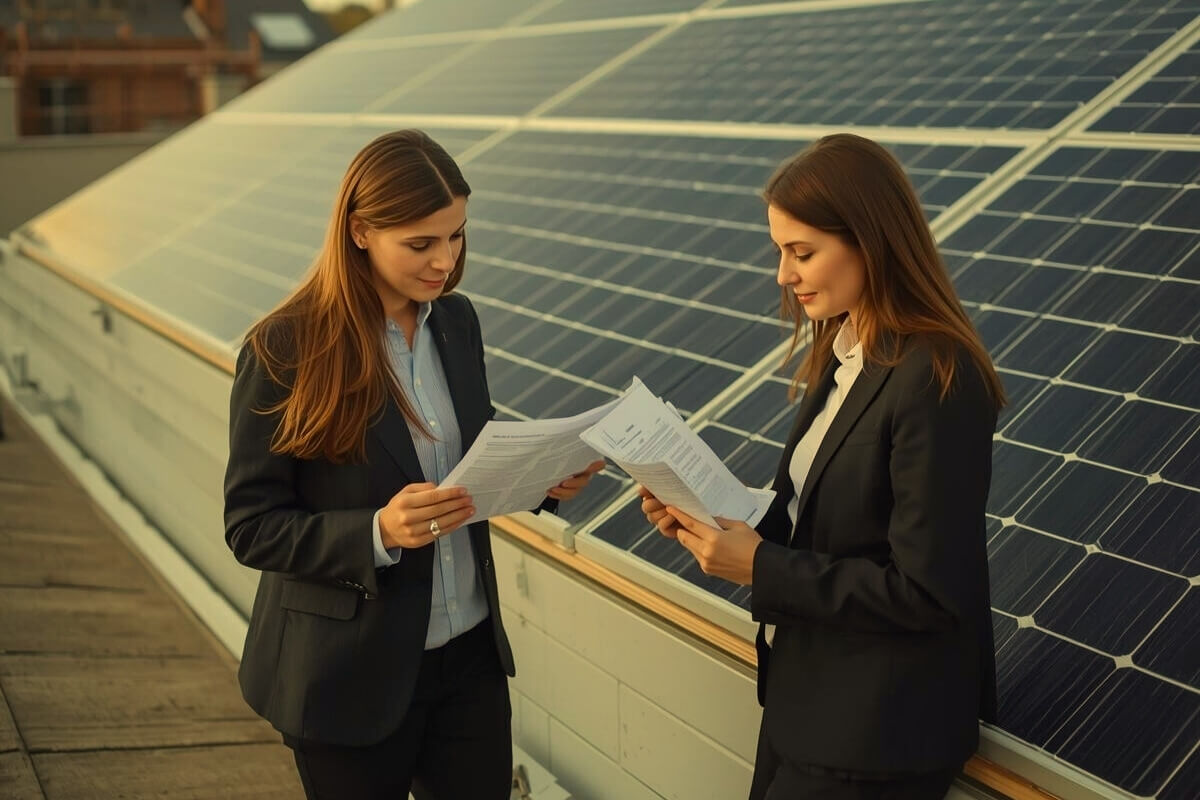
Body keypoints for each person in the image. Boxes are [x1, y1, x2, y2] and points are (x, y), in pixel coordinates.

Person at [223, 129, 604, 800]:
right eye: (421, 244)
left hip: (468, 663)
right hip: (345, 677)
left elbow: (468, 463)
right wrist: (377, 532)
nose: (446, 262)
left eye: (456, 236)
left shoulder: (456, 323)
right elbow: (251, 526)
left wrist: (541, 481)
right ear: (361, 231)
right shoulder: (284, 348)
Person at [640, 133, 1004, 800]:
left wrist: (758, 565)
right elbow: (821, 515)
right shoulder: (848, 352)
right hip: (806, 703)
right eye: (780, 252)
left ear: (870, 240)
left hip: (879, 733)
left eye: (801, 253)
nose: (783, 275)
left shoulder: (935, 378)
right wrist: (711, 517)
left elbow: (927, 593)